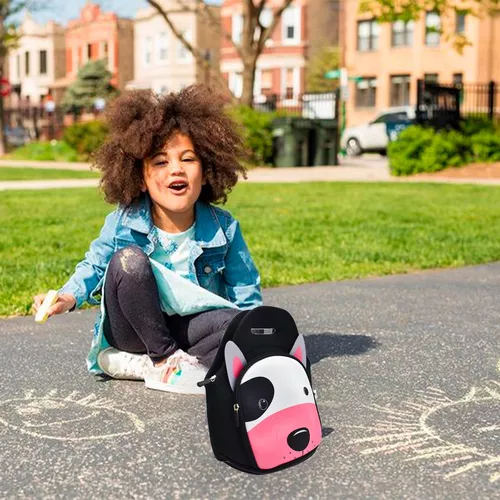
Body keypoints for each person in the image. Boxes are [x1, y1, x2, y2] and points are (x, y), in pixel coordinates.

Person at [32, 85, 263, 395]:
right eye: (161, 162)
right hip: (132, 328)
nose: (176, 169)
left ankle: (142, 364)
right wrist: (67, 297)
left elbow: (244, 289)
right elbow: (96, 266)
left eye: (188, 159)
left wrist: (251, 333)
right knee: (129, 261)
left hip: (188, 329)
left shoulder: (224, 229)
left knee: (233, 326)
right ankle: (164, 359)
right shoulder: (123, 222)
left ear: (206, 172)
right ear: (140, 178)